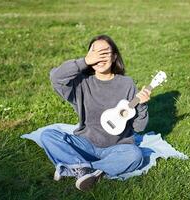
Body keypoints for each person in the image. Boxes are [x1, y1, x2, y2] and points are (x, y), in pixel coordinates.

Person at [41, 34, 151, 191]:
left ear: (114, 57)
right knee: (48, 135)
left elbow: (139, 127)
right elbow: (55, 77)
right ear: (89, 56)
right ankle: (93, 171)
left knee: (136, 155)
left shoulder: (127, 84)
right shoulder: (81, 83)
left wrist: (142, 105)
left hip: (118, 147)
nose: (99, 57)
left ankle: (79, 168)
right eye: (95, 53)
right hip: (85, 144)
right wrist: (84, 62)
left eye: (105, 53)